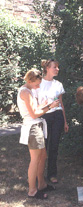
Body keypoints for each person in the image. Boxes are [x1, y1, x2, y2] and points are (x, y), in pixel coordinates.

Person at [17, 68, 59, 199]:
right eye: (36, 84)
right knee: (35, 159)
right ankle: (32, 190)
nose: (38, 86)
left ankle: (41, 184)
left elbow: (35, 109)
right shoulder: (25, 92)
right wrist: (49, 108)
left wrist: (45, 105)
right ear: (29, 81)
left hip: (37, 126)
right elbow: (34, 114)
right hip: (33, 127)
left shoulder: (29, 90)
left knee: (43, 156)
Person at [34, 59, 69, 184]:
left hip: (58, 116)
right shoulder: (38, 83)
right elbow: (35, 105)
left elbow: (61, 104)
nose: (57, 69)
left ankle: (52, 174)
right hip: (44, 117)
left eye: (58, 67)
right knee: (42, 148)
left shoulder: (58, 84)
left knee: (54, 146)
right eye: (55, 67)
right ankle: (39, 174)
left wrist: (65, 121)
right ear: (47, 68)